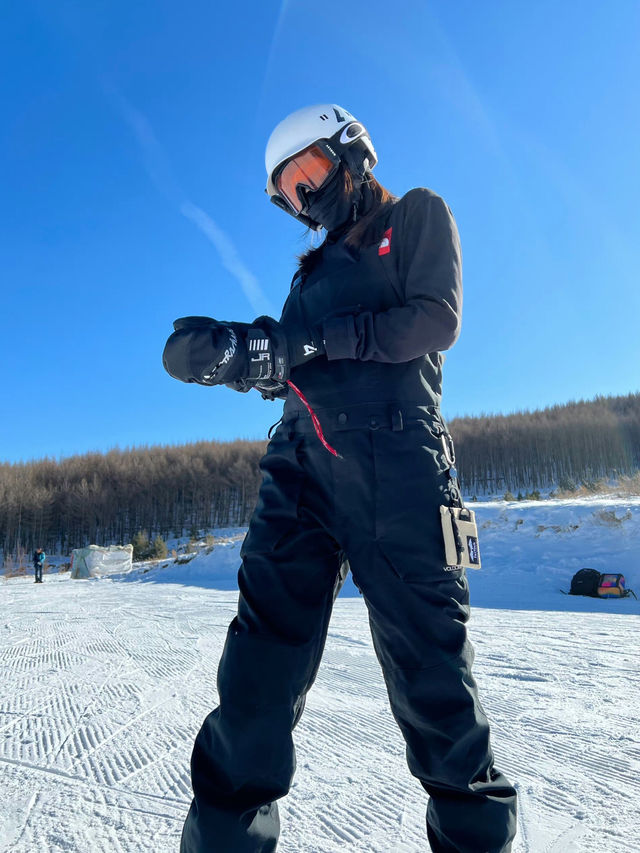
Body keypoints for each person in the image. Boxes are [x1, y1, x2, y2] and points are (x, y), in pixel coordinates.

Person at [163, 103, 517, 853]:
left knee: (434, 678)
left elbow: (433, 319)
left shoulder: (416, 216)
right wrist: (238, 356)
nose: (305, 198)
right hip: (298, 470)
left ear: (351, 152)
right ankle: (225, 838)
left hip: (399, 466)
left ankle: (476, 834)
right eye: (289, 192)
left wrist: (312, 340)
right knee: (257, 670)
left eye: (311, 173)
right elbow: (294, 368)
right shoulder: (309, 275)